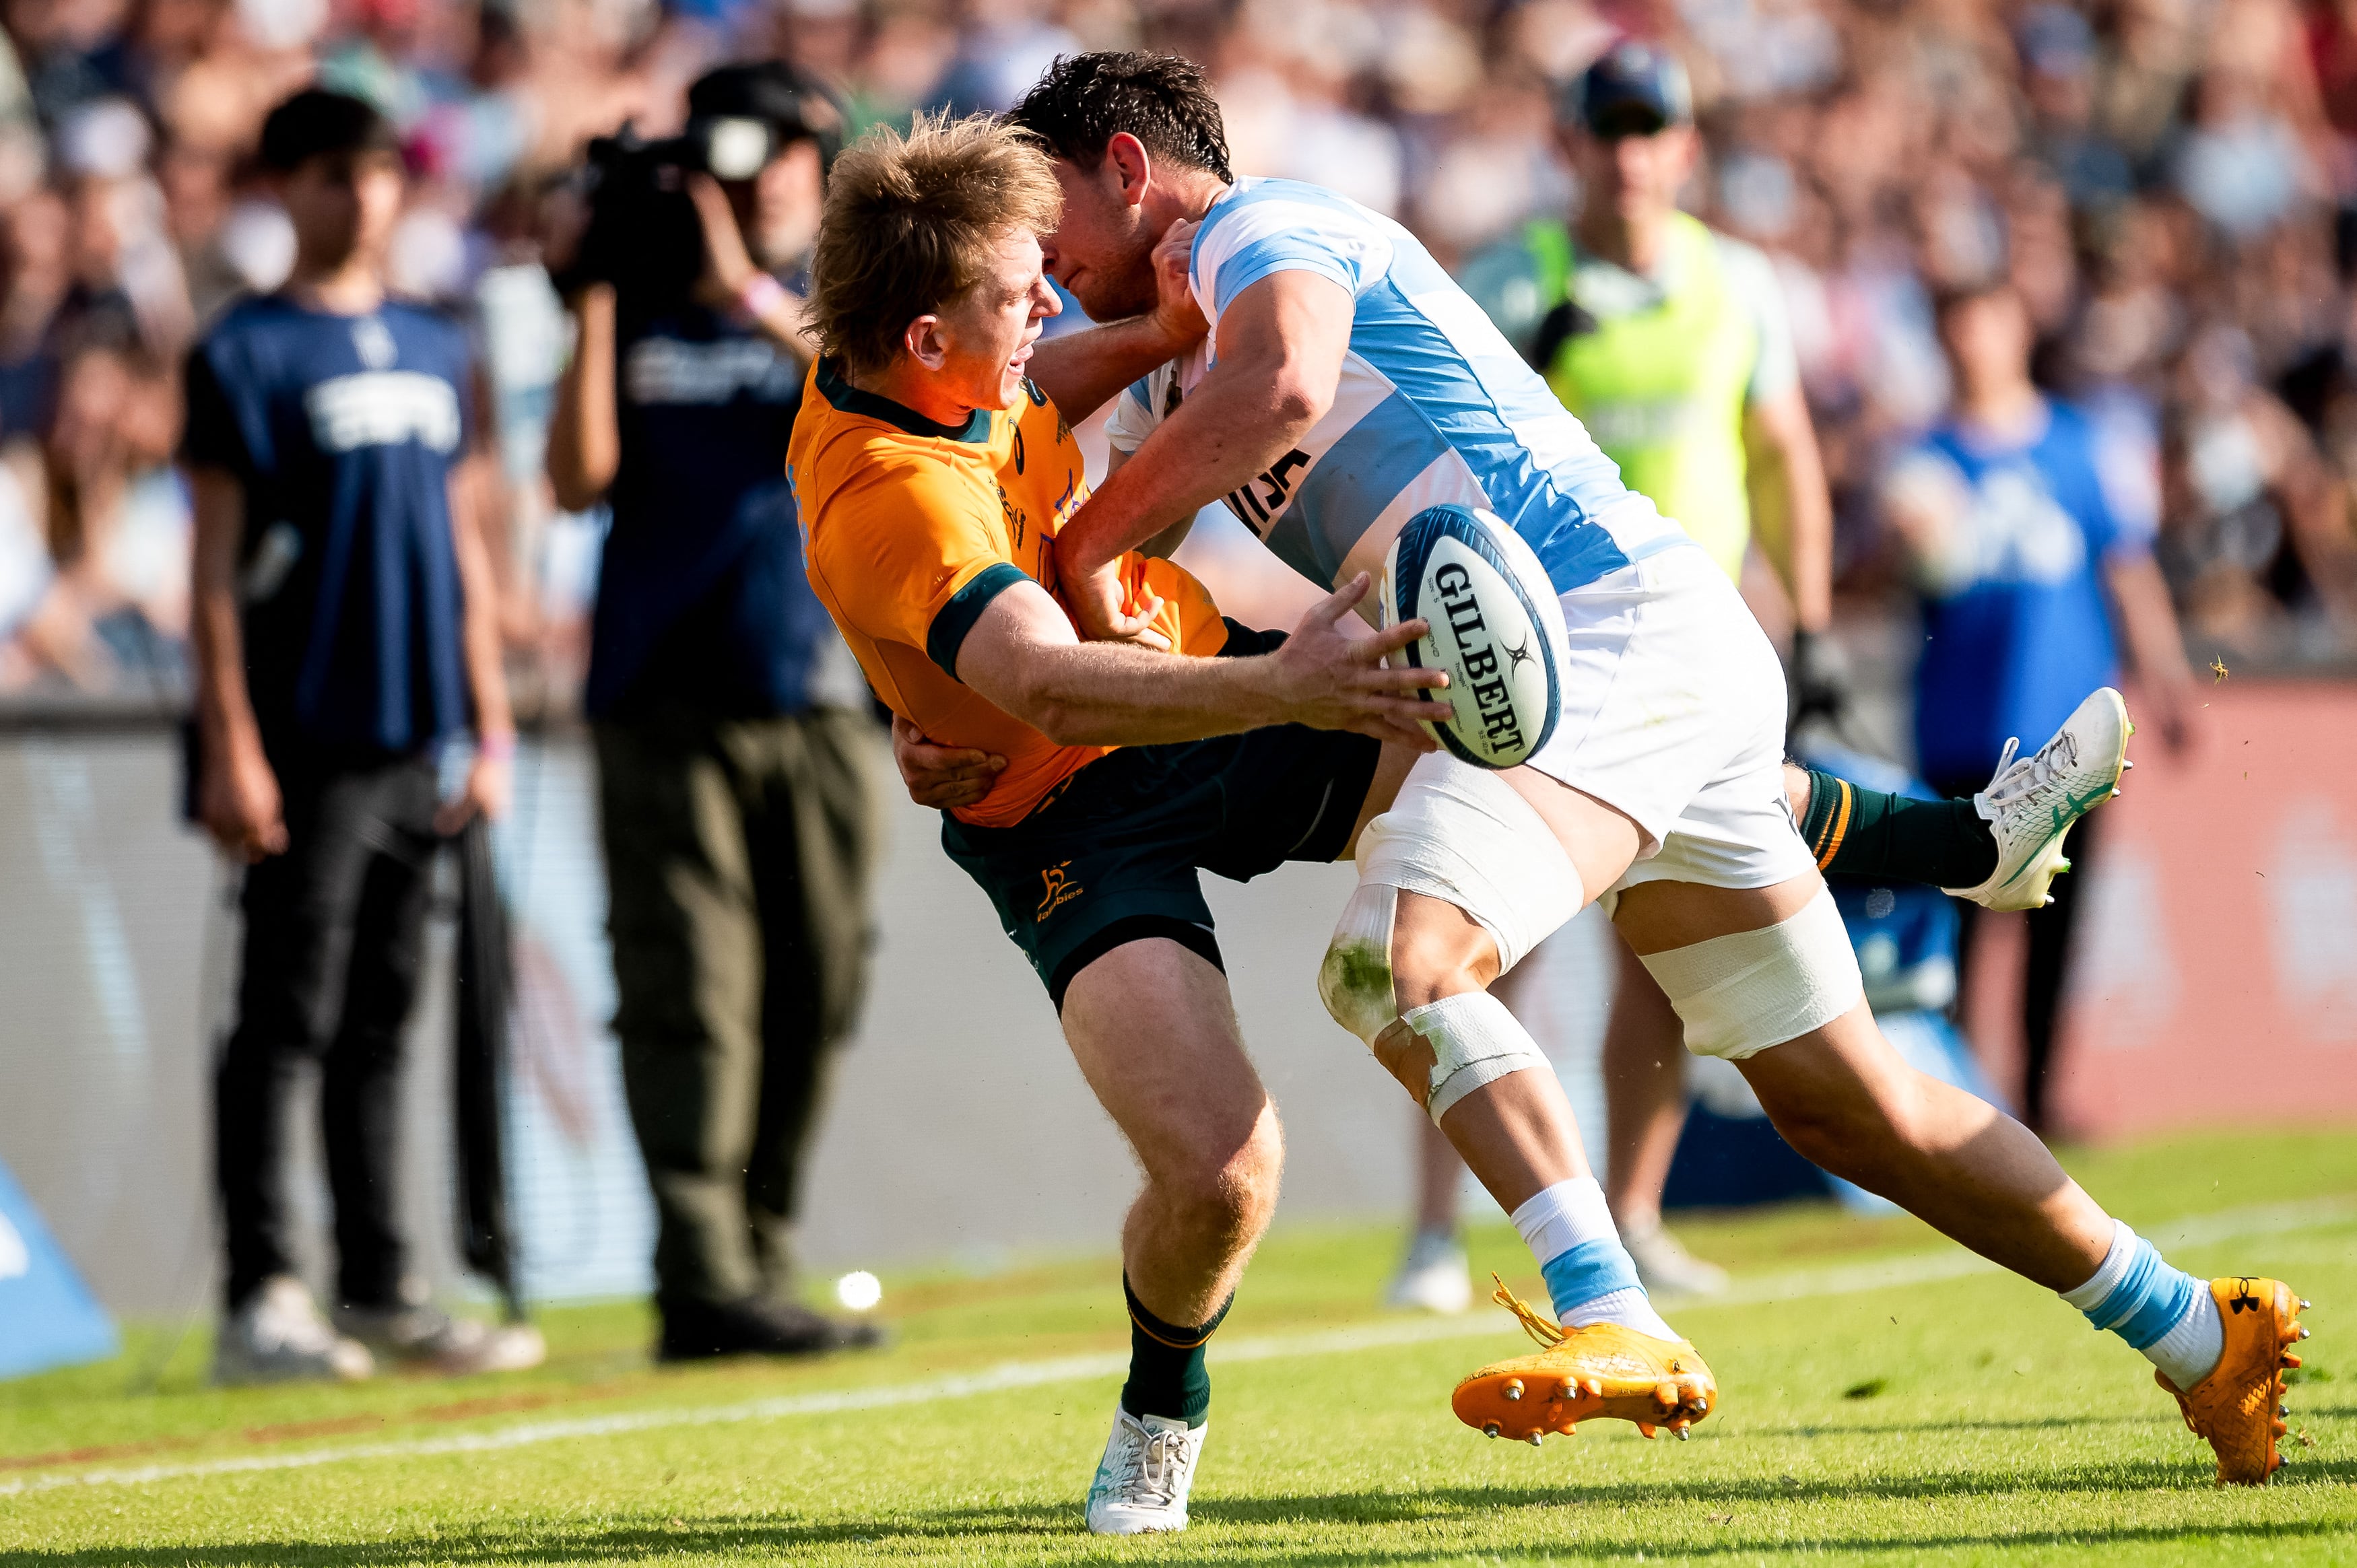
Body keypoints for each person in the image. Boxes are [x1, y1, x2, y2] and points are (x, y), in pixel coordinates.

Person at [1006, 48, 2303, 1501]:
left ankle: (1615, 1313)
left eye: (1046, 213)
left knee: (1400, 960)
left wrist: (1083, 543)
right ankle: (2202, 1331)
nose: (1039, 262)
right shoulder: (1170, 374)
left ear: (1129, 166)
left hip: (1602, 628)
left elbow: (1285, 383)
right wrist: (986, 676)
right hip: (1633, 651)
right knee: (1851, 1107)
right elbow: (1094, 555)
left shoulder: (1267, 226)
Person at [1402, 41, 1844, 1305]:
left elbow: (1780, 453)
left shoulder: (1740, 282)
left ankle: (1636, 1213)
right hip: (1534, 661)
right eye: (1610, 132)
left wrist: (1807, 625)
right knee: (1482, 937)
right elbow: (1440, 440)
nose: (1633, 155)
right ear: (1569, 145)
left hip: (1684, 674)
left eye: (1654, 131)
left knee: (1668, 957)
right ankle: (1436, 1235)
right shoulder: (1510, 275)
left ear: (1688, 146)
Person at [543, 61, 885, 1362]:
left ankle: (760, 1244)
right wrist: (592, 296)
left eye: (769, 155)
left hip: (813, 683)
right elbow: (577, 477)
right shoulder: (634, 289)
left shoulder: (847, 288)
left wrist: (741, 278)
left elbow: (860, 389)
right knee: (692, 989)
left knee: (822, 978)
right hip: (663, 687)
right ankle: (702, 1270)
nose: (744, 182)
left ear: (817, 156)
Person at [187, 88, 529, 1384]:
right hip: (303, 737)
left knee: (387, 1015)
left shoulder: (439, 344)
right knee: (285, 1015)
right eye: (336, 173)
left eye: (383, 171)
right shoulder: (245, 351)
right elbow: (211, 573)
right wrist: (229, 742)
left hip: (424, 738)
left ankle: (380, 1284)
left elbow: (462, 541)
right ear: (285, 187)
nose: (365, 195)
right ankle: (258, 1293)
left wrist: (489, 721)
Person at [1880, 277, 2198, 1132]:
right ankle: (1948, 1108)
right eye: (1952, 328)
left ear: (2014, 329)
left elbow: (2126, 569)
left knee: (2057, 924)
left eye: (1981, 323)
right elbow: (1878, 577)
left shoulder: (2077, 445)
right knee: (1960, 931)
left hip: (2073, 735)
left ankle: (2037, 1100)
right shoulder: (1921, 463)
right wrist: (1897, 545)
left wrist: (2164, 679)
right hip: (1963, 731)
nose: (1968, 344)